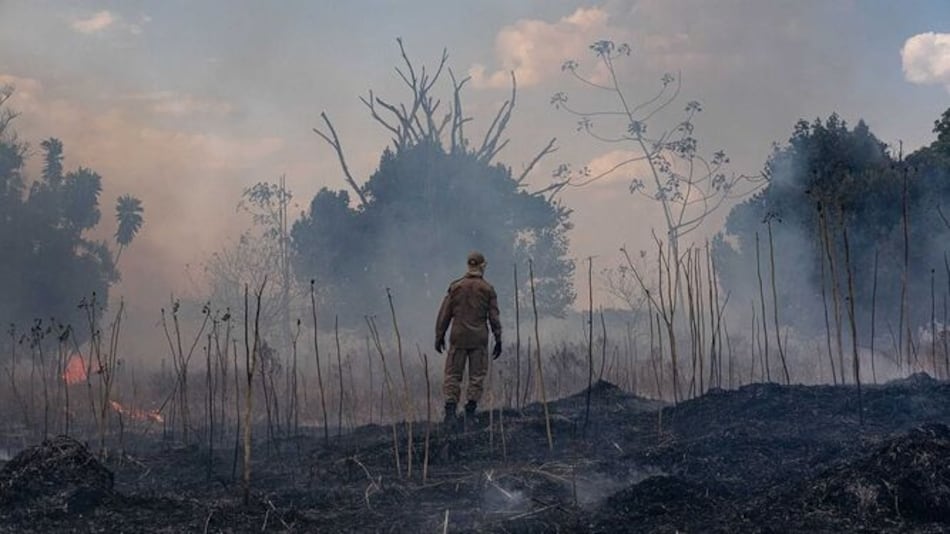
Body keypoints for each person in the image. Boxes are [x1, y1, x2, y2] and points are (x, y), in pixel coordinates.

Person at [435, 251, 502, 425]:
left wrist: (439, 335)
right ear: (482, 266)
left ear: (468, 266)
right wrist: (498, 338)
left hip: (458, 337)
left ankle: (450, 413)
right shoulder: (488, 289)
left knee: (452, 374)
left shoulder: (455, 287)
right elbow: (494, 317)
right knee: (476, 376)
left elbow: (444, 314)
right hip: (478, 338)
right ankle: (470, 412)